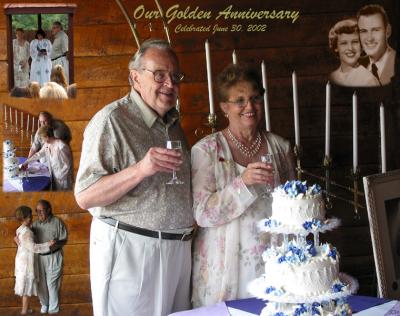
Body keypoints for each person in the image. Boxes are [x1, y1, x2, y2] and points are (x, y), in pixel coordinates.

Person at [74, 38, 194, 316]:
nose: (170, 84)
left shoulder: (173, 124)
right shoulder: (111, 121)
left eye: (175, 76)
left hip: (177, 250)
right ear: (135, 78)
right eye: (160, 75)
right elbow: (85, 195)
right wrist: (141, 169)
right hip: (133, 251)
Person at [191, 63, 295, 307]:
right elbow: (202, 213)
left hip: (273, 263)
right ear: (224, 107)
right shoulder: (206, 150)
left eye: (255, 98)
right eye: (240, 100)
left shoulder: (281, 147)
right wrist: (243, 183)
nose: (249, 107)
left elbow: (294, 206)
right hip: (224, 268)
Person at [14, 206, 55, 315]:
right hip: (26, 262)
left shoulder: (19, 229)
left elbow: (19, 241)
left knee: (25, 285)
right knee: (26, 288)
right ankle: (24, 311)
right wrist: (48, 244)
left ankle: (27, 308)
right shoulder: (27, 232)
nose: (31, 218)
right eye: (29, 216)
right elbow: (34, 247)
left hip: (21, 260)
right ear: (24, 218)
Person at [31, 200, 68, 314]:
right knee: (40, 283)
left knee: (52, 284)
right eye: (37, 211)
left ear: (49, 210)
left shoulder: (57, 222)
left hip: (54, 256)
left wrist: (55, 243)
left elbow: (64, 239)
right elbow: (26, 236)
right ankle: (45, 304)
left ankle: (53, 309)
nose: (40, 213)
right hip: (39, 258)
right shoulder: (35, 225)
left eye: (42, 210)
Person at [328, 18, 379, 87]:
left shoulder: (368, 80)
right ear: (336, 47)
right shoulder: (333, 77)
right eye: (344, 43)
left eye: (355, 42)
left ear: (361, 46)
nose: (350, 48)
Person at [22, 125, 73, 191]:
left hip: (63, 179)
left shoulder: (61, 147)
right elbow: (39, 154)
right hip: (53, 176)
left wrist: (60, 177)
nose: (42, 141)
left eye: (42, 138)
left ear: (47, 137)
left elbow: (67, 165)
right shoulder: (47, 144)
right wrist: (27, 162)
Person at [357, 4, 397, 86]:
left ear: (388, 31)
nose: (369, 38)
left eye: (375, 30)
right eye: (364, 31)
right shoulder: (355, 66)